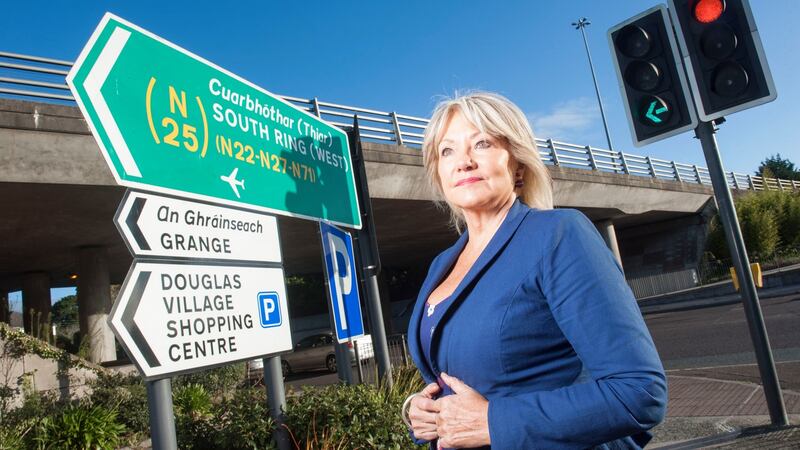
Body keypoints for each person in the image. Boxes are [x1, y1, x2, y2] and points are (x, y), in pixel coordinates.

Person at [402, 92, 667, 449]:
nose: (462, 162)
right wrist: (420, 412)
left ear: (518, 164)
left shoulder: (558, 235)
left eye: (481, 143)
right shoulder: (441, 263)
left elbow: (638, 392)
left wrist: (493, 422)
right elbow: (459, 379)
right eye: (447, 151)